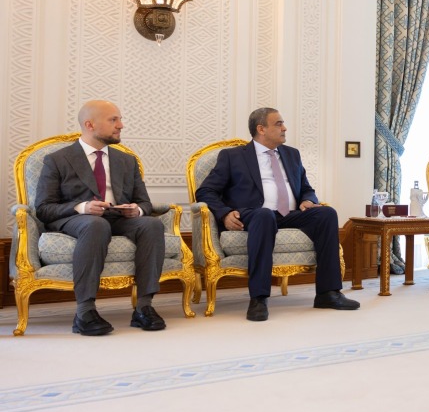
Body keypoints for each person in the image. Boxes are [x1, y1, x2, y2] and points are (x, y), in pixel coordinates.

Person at [196, 108, 359, 320]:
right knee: (264, 215)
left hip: (290, 214)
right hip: (254, 214)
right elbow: (206, 191)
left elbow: (306, 188)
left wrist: (308, 200)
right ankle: (259, 298)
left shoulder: (292, 154)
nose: (285, 128)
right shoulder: (232, 156)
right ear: (261, 129)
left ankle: (328, 293)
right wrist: (225, 214)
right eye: (279, 124)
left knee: (326, 214)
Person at [35, 100, 165, 336]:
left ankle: (144, 308)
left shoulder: (127, 160)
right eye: (113, 120)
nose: (121, 125)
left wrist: (136, 210)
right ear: (90, 125)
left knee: (152, 225)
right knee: (96, 224)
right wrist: (83, 207)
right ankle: (84, 312)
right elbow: (44, 208)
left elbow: (144, 202)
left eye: (120, 119)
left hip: (118, 217)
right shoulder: (57, 160)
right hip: (78, 219)